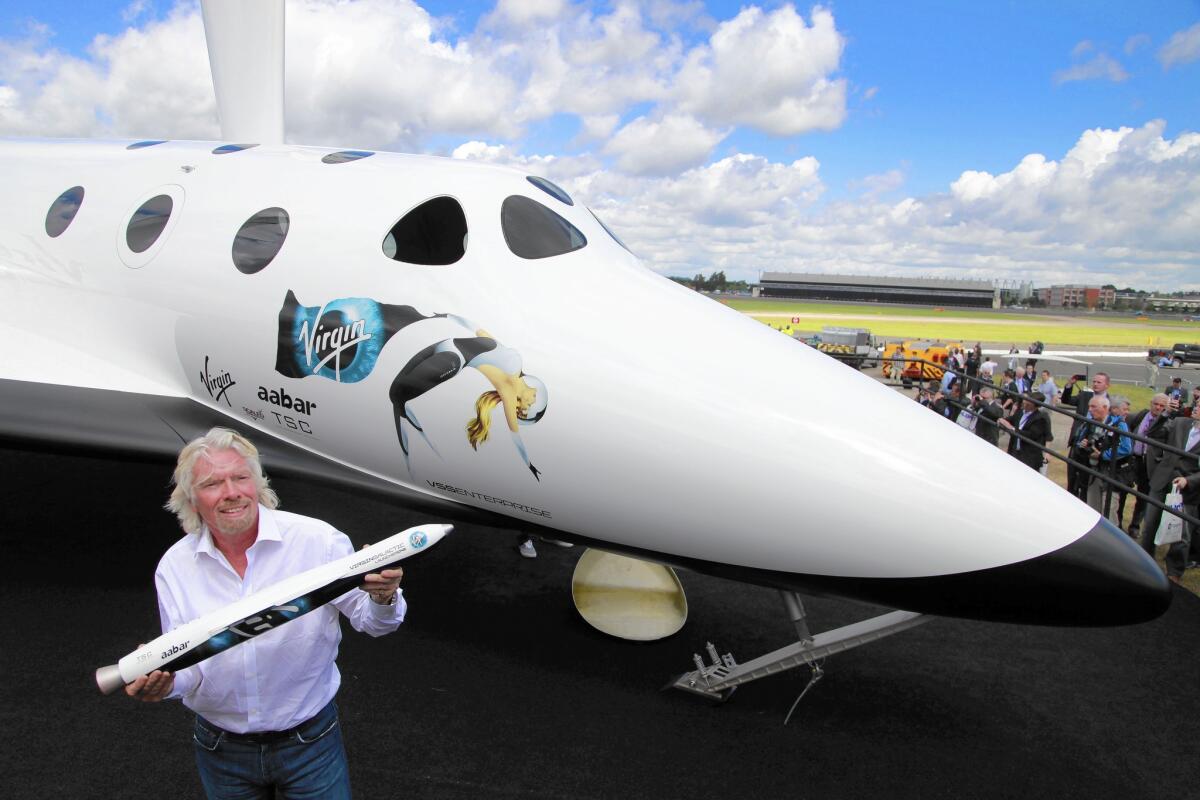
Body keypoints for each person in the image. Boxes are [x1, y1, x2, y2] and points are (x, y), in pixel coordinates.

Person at [125, 428, 407, 799]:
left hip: (311, 741)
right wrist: (165, 684)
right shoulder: (175, 567)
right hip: (220, 748)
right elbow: (188, 666)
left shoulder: (318, 541)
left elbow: (373, 623)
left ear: (258, 485)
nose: (231, 493)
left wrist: (384, 597)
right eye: (213, 484)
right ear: (192, 502)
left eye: (240, 478)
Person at [389, 327, 548, 480]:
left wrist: (528, 464)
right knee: (395, 393)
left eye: (531, 405)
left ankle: (409, 460)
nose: (534, 397)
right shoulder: (517, 363)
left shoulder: (508, 393)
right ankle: (416, 446)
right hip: (447, 344)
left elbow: (515, 437)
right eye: (536, 397)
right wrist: (447, 316)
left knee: (397, 397)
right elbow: (482, 332)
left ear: (522, 407)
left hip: (453, 360)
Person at [1140, 403, 1200, 577]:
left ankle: (1175, 571)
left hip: (1187, 488)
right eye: (1196, 404)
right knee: (1150, 522)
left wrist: (1188, 481)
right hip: (1163, 479)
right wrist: (1166, 414)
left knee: (1182, 533)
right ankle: (1144, 561)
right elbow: (1152, 434)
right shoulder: (1180, 422)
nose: (1196, 407)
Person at [1126, 394, 1172, 537]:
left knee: (1143, 496)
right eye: (1156, 404)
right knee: (1121, 489)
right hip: (1133, 459)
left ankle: (1135, 525)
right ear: (1151, 403)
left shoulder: (1167, 423)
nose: (1157, 407)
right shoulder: (1140, 416)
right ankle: (1116, 522)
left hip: (1150, 463)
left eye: (1162, 406)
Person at [1062, 372, 1110, 498]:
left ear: (1107, 385)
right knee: (1072, 479)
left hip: (1093, 447)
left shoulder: (1110, 402)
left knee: (1086, 483)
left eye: (1099, 382)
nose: (1095, 384)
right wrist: (1069, 385)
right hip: (1076, 443)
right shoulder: (1084, 395)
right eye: (1094, 381)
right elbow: (1066, 400)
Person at [1085, 396, 1132, 515]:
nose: (1090, 410)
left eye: (1093, 407)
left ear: (1106, 408)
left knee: (1109, 511)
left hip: (1112, 473)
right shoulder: (1092, 422)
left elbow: (1126, 448)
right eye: (1089, 407)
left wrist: (1103, 455)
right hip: (1095, 470)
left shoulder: (1118, 423)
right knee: (1092, 509)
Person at [999, 391, 1052, 471]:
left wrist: (1012, 428)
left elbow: (1031, 435)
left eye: (1028, 404)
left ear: (1035, 407)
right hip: (1014, 451)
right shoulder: (1020, 412)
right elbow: (1010, 420)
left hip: (1028, 456)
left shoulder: (1040, 418)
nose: (1024, 405)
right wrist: (1001, 420)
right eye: (1024, 402)